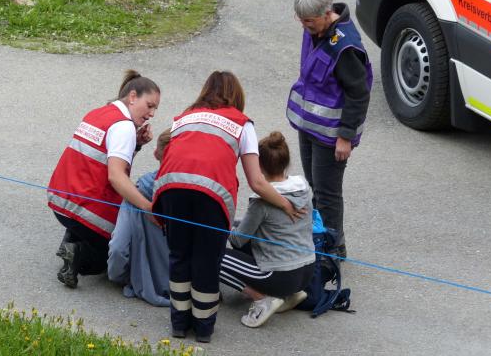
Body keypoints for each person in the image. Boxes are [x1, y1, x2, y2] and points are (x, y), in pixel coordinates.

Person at [152, 71, 304, 343]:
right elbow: (257, 181)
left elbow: (165, 155)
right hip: (211, 194)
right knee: (206, 261)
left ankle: (178, 324)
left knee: (179, 257)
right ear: (237, 96)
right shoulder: (241, 124)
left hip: (171, 188)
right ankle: (203, 329)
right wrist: (285, 203)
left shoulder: (183, 117)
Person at [47, 70, 161, 289]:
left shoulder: (99, 113)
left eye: (155, 108)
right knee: (109, 258)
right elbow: (116, 177)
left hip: (61, 200)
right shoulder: (124, 126)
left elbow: (101, 161)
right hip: (87, 210)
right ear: (133, 96)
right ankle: (78, 253)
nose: (152, 113)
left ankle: (73, 238)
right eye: (150, 105)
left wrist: (135, 145)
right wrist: (147, 207)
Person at [286, 0, 373, 259]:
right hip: (310, 127)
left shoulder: (345, 47)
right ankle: (325, 242)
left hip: (332, 136)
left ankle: (332, 251)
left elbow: (359, 94)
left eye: (309, 21)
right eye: (301, 20)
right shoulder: (315, 28)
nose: (304, 26)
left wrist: (345, 137)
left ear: (327, 14)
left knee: (327, 194)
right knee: (316, 186)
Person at [219, 131, 315, 328]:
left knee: (211, 257)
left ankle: (262, 298)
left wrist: (224, 226)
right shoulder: (303, 188)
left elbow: (238, 241)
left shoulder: (261, 203)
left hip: (281, 275)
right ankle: (290, 294)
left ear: (259, 167)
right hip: (307, 270)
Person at [107, 128, 172, 307]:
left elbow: (119, 248)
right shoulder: (193, 197)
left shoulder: (140, 190)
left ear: (156, 154)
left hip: (139, 279)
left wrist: (118, 276)